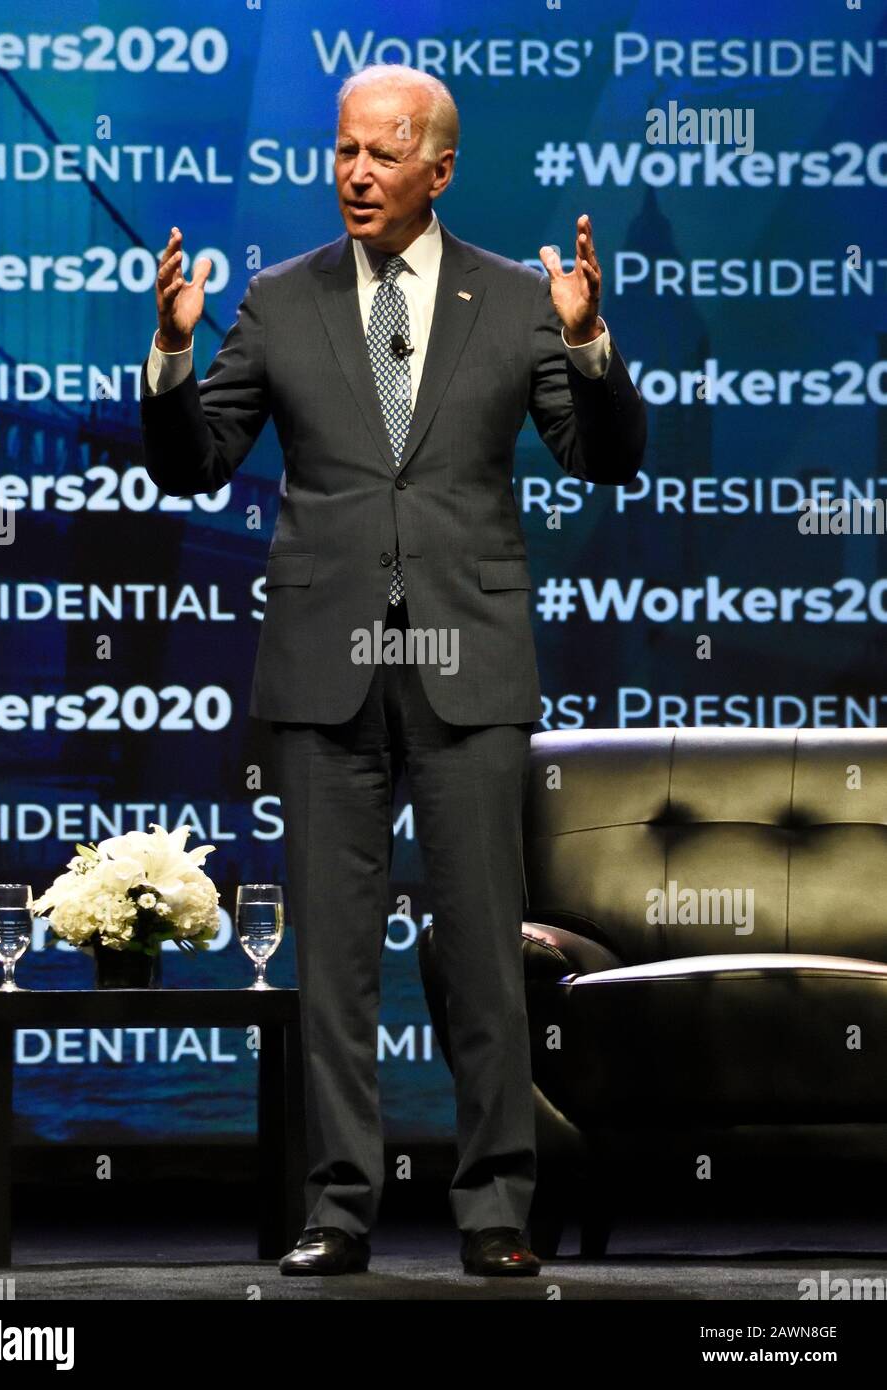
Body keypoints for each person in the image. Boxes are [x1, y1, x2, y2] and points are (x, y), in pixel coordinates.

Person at [140, 63, 646, 1277]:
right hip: (326, 674)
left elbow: (605, 460)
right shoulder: (277, 297)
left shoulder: (521, 298)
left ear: (440, 167)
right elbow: (196, 463)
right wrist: (169, 355)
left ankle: (495, 1211)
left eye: (383, 152)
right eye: (343, 150)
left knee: (482, 957)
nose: (356, 172)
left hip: (466, 668)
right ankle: (336, 1207)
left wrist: (586, 347)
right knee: (334, 965)